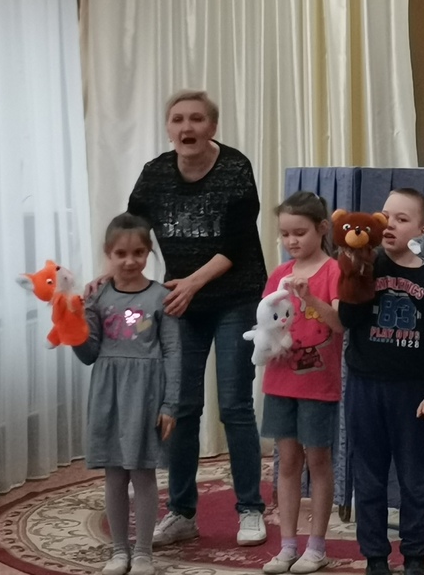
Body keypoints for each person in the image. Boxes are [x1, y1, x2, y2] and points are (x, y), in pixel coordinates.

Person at [125, 90, 269, 548]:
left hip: (235, 298)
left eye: (196, 119)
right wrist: (115, 276)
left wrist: (190, 283)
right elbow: (132, 231)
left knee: (235, 405)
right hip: (181, 302)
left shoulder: (235, 168)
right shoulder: (155, 173)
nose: (186, 128)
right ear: (168, 127)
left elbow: (237, 245)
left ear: (212, 127)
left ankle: (250, 509)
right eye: (177, 120)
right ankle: (182, 512)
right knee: (181, 407)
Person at [338, 188, 424, 575]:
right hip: (365, 386)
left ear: (423, 229)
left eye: (402, 219)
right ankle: (375, 556)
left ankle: (416, 555)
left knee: (414, 478)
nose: (390, 225)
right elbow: (348, 322)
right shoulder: (368, 264)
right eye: (386, 217)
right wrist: (355, 274)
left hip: (413, 393)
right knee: (368, 476)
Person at [73, 214, 181, 575]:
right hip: (108, 394)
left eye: (138, 253)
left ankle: (144, 552)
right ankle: (119, 550)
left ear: (149, 253)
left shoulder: (161, 297)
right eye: (121, 253)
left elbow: (173, 352)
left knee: (143, 473)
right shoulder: (97, 297)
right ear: (108, 254)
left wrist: (170, 404)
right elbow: (88, 353)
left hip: (147, 396)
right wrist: (72, 327)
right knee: (115, 475)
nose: (130, 261)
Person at [261, 191, 343, 575]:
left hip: (318, 385)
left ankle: (317, 546)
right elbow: (265, 322)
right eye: (285, 234)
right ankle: (287, 545)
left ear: (322, 228)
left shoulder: (334, 271)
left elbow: (340, 325)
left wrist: (311, 299)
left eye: (300, 232)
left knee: (319, 461)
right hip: (280, 382)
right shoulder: (279, 273)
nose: (291, 241)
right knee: (288, 462)